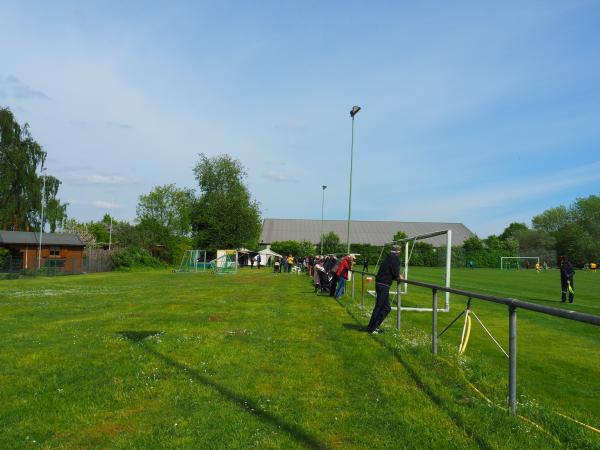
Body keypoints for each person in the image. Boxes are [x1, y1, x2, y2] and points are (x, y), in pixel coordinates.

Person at [367, 245, 403, 334]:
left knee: (387, 308)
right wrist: (399, 276)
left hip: (380, 284)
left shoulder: (388, 257)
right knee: (379, 307)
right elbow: (395, 273)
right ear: (398, 252)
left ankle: (375, 326)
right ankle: (371, 328)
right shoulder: (395, 259)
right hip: (383, 285)